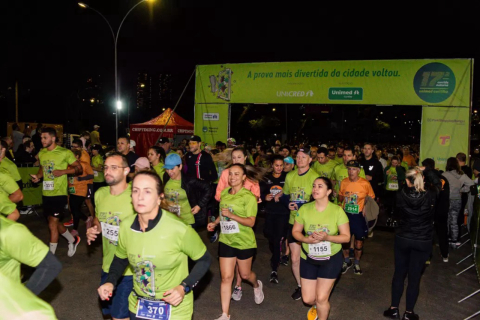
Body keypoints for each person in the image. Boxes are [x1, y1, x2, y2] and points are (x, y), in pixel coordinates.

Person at [98, 171, 212, 320]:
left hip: (174, 309)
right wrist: (110, 282)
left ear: (159, 198)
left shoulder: (178, 229)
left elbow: (204, 259)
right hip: (139, 305)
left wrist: (184, 286)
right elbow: (120, 259)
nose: (140, 196)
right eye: (136, 191)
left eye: (147, 191)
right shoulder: (126, 226)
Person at [208, 164, 264, 320]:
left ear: (244, 177)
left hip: (244, 241)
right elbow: (223, 213)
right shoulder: (225, 193)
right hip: (226, 240)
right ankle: (225, 314)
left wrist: (232, 216)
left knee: (245, 275)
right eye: (230, 174)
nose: (232, 177)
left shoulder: (249, 197)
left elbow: (251, 222)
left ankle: (257, 285)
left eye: (237, 174)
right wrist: (215, 223)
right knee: (226, 278)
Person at [383, 167, 441, 320]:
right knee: (414, 277)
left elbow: (392, 210)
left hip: (404, 238)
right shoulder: (432, 194)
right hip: (423, 240)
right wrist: (425, 170)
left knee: (399, 274)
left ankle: (393, 308)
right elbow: (437, 181)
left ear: (407, 181)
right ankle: (408, 313)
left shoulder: (400, 194)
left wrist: (415, 173)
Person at [293, 177, 350, 320]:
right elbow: (295, 232)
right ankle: (316, 306)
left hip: (331, 259)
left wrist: (327, 238)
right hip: (308, 257)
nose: (315, 189)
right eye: (313, 186)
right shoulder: (305, 209)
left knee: (322, 298)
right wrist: (306, 239)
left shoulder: (337, 211)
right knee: (307, 299)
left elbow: (346, 237)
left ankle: (321, 311)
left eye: (320, 186)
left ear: (329, 191)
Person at [86, 152, 135, 320]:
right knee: (109, 313)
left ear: (126, 171)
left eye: (114, 167)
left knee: (119, 316)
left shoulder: (135, 195)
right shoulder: (100, 194)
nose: (108, 171)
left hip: (129, 269)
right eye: (106, 167)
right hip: (107, 265)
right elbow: (99, 220)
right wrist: (94, 229)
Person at [215, 147, 262, 300]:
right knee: (228, 271)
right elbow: (221, 199)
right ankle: (237, 287)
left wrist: (239, 208)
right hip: (228, 231)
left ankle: (242, 283)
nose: (236, 160)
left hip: (243, 228)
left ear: (245, 158)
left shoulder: (251, 179)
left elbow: (253, 205)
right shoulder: (226, 175)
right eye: (233, 158)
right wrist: (217, 221)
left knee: (244, 271)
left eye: (239, 157)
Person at [30, 127, 83, 256]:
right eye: (41, 138)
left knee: (52, 224)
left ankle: (50, 256)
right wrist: (38, 176)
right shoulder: (42, 153)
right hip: (46, 193)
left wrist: (63, 171)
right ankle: (73, 239)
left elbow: (79, 169)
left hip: (59, 194)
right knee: (53, 222)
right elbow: (43, 168)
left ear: (53, 138)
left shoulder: (65, 152)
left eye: (45, 138)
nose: (42, 140)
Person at [0, 198, 62, 295]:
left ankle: (71, 239)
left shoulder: (8, 232)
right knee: (53, 224)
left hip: (6, 303)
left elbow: (50, 265)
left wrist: (24, 299)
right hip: (47, 195)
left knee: (53, 224)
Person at [282, 148, 319, 301]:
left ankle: (315, 285)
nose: (300, 159)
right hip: (294, 222)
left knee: (312, 257)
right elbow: (285, 196)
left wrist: (305, 207)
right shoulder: (290, 176)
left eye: (303, 157)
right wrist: (288, 204)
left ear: (310, 160)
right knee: (295, 258)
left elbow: (319, 200)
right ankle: (300, 286)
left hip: (310, 225)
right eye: (297, 157)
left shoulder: (315, 177)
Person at [339, 160, 375, 275]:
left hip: (359, 216)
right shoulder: (344, 182)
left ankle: (357, 263)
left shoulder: (365, 183)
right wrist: (340, 202)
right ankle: (346, 261)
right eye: (349, 169)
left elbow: (371, 198)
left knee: (358, 243)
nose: (351, 171)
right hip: (346, 215)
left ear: (358, 171)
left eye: (353, 169)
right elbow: (340, 195)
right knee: (345, 241)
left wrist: (365, 206)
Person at [163, 153, 213, 227]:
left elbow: (208, 188)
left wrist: (199, 205)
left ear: (180, 166)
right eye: (167, 169)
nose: (169, 172)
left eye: (172, 168)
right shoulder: (166, 177)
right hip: (172, 220)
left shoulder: (189, 180)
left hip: (187, 221)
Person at [261, 155, 290, 284]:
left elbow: (291, 193)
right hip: (270, 212)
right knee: (269, 236)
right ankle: (276, 251)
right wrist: (264, 197)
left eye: (281, 165)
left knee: (277, 239)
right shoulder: (266, 178)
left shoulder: (287, 178)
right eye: (276, 165)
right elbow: (259, 193)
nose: (279, 168)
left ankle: (274, 269)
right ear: (272, 165)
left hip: (283, 213)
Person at [442, 157, 474, 249]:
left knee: (447, 219)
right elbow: (471, 184)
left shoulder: (445, 175)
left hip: (447, 200)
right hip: (457, 200)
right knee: (455, 220)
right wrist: (462, 189)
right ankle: (455, 241)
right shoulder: (462, 175)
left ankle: (447, 238)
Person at [422, 158, 450, 262]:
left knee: (428, 233)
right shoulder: (443, 178)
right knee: (442, 232)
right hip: (442, 209)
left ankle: (427, 256)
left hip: (430, 210)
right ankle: (445, 254)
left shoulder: (426, 179)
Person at [66, 149, 94, 237]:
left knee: (75, 209)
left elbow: (91, 175)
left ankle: (84, 221)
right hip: (72, 189)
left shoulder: (84, 164)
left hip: (81, 189)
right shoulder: (69, 166)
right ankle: (76, 228)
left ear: (77, 156)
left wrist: (81, 179)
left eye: (71, 155)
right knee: (74, 210)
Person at [383, 156, 406, 227]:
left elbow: (404, 177)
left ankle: (395, 218)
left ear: (398, 163)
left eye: (396, 163)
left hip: (397, 190)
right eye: (393, 162)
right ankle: (389, 217)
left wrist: (397, 178)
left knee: (396, 205)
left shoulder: (400, 169)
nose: (394, 164)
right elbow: (383, 177)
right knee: (388, 204)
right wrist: (386, 175)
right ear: (391, 162)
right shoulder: (387, 168)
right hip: (388, 189)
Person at [456, 152, 472, 234]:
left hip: (459, 194)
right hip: (464, 194)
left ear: (457, 159)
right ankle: (460, 227)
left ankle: (457, 229)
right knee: (461, 211)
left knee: (457, 212)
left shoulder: (457, 170)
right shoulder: (469, 169)